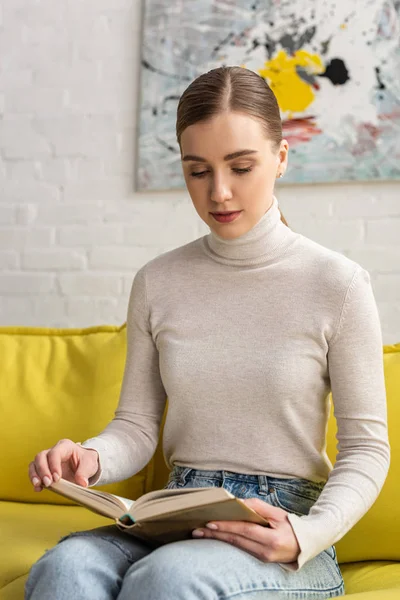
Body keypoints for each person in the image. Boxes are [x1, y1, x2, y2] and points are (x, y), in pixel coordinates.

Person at [25, 66, 390, 600]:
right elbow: (136, 426)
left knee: (168, 579)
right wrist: (91, 456)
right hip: (174, 511)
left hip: (280, 526)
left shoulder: (338, 284)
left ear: (281, 158)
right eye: (197, 172)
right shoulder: (158, 281)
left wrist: (304, 534)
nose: (219, 192)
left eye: (241, 166)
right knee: (67, 567)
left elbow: (366, 449)